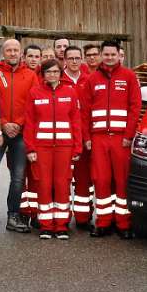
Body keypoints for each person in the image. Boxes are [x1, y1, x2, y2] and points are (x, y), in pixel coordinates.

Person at [82, 40, 142, 238]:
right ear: (101, 55)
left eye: (112, 54)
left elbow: (135, 108)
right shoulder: (92, 79)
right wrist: (87, 137)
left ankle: (123, 223)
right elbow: (85, 111)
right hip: (98, 138)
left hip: (120, 139)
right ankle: (103, 222)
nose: (109, 58)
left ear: (119, 55)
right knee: (101, 180)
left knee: (122, 180)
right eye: (105, 54)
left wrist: (128, 135)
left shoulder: (129, 76)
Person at [25, 58, 84, 240]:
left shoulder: (70, 92)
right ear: (43, 74)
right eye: (48, 72)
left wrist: (77, 147)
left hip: (64, 148)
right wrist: (30, 149)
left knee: (62, 184)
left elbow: (76, 121)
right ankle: (46, 225)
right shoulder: (34, 92)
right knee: (44, 184)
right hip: (41, 149)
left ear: (60, 73)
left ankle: (61, 225)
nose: (52, 75)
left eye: (56, 72)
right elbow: (29, 122)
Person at [0, 38, 35, 231]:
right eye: (9, 50)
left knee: (18, 177)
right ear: (3, 53)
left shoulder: (31, 75)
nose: (13, 53)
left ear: (21, 53)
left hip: (21, 132)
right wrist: (5, 124)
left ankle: (13, 216)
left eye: (16, 50)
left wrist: (19, 123)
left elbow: (33, 104)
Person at [61, 46, 94, 227]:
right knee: (63, 179)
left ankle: (83, 218)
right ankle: (62, 216)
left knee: (83, 180)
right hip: (63, 139)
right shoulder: (57, 79)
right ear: (64, 60)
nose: (74, 61)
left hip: (83, 137)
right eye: (70, 58)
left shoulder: (88, 80)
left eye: (77, 58)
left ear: (81, 59)